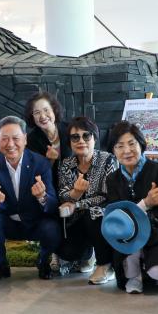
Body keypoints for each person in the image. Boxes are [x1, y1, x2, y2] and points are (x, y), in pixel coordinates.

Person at [106, 121, 158, 293]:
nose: (127, 151)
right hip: (129, 238)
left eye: (132, 144)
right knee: (128, 271)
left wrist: (141, 221)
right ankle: (136, 272)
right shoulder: (112, 179)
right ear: (113, 151)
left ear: (141, 144)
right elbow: (116, 216)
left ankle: (146, 269)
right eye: (119, 146)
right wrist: (146, 204)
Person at [0, 116, 60, 282]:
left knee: (52, 228)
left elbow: (53, 205)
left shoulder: (41, 163)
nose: (10, 144)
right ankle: (1, 264)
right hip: (8, 222)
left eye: (16, 138)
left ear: (25, 139)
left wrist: (42, 196)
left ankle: (43, 260)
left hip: (35, 221)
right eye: (4, 139)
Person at [57, 116, 118, 284]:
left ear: (94, 138)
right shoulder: (66, 164)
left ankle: (105, 265)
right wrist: (75, 193)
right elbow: (62, 194)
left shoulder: (108, 160)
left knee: (93, 214)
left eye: (86, 135)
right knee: (67, 251)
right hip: (77, 219)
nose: (81, 141)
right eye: (75, 137)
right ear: (70, 142)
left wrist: (77, 203)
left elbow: (107, 196)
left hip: (102, 216)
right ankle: (87, 256)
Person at [24, 91, 72, 185]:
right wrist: (50, 161)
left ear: (54, 110)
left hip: (77, 183)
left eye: (46, 110)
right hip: (50, 187)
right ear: (32, 116)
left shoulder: (70, 129)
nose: (42, 116)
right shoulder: (30, 141)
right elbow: (35, 176)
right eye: (37, 112)